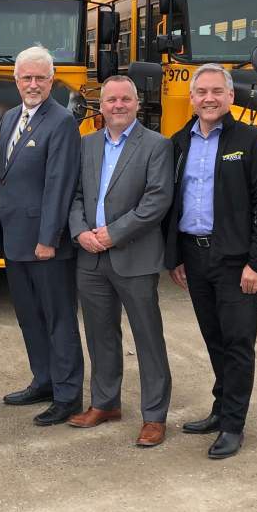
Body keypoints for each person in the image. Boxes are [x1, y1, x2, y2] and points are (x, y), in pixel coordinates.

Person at [165, 64, 257, 459]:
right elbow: (172, 204)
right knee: (214, 339)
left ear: (231, 97)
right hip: (194, 258)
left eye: (217, 91)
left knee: (237, 342)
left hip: (236, 262)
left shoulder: (251, 141)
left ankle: (233, 424)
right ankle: (220, 408)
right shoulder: (179, 142)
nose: (209, 98)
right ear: (192, 98)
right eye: (202, 92)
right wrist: (175, 256)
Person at [68, 75, 174, 447]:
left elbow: (157, 200)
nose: (117, 105)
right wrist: (81, 231)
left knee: (148, 338)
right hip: (90, 257)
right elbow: (76, 194)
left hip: (134, 256)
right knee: (99, 336)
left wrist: (114, 232)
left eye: (125, 99)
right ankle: (105, 402)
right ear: (103, 105)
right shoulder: (87, 145)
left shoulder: (157, 146)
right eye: (111, 99)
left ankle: (154, 416)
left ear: (136, 104)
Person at [0, 45, 84, 426]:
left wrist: (49, 238)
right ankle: (44, 380)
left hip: (45, 243)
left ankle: (68, 394)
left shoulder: (62, 121)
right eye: (26, 77)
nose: (33, 84)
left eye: (40, 78)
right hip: (14, 239)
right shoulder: (12, 116)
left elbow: (59, 183)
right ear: (16, 81)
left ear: (52, 81)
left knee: (58, 318)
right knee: (29, 317)